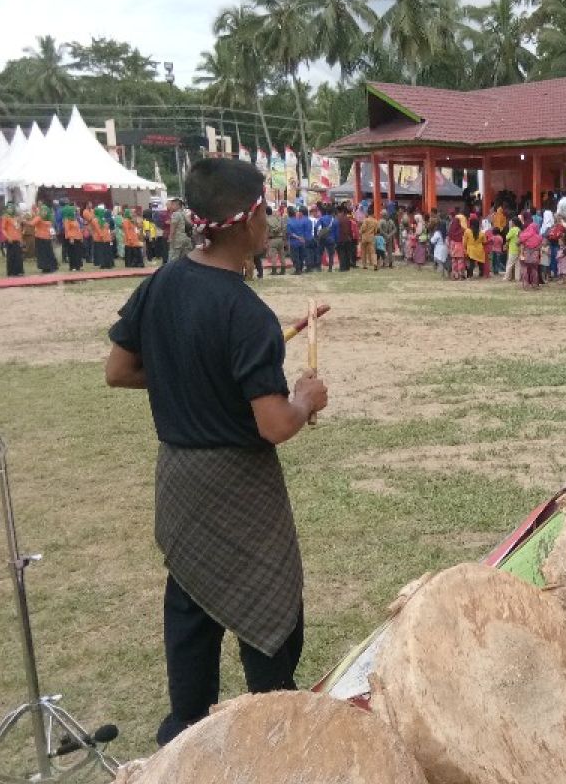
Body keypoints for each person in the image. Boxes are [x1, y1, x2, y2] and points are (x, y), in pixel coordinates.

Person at [104, 158, 327, 747]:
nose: (272, 223)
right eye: (267, 212)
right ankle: (274, 725)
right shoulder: (244, 311)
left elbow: (119, 370)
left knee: (190, 600)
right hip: (237, 482)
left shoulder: (160, 283)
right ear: (247, 220)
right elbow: (274, 424)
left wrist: (190, 376)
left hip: (179, 477)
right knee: (269, 601)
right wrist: (304, 398)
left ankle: (186, 732)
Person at [32, 205, 57, 273]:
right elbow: (32, 223)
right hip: (40, 238)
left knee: (49, 253)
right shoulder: (39, 217)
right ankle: (44, 267)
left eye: (45, 211)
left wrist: (53, 235)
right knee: (42, 254)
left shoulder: (49, 218)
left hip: (47, 238)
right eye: (43, 211)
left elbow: (51, 227)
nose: (44, 212)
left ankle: (52, 267)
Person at [285, 207, 309, 275]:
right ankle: (300, 269)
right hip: (301, 241)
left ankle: (297, 270)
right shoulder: (299, 221)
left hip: (294, 242)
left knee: (295, 256)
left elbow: (290, 233)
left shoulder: (289, 222)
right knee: (301, 256)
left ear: (288, 214)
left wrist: (297, 237)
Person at [314, 205, 338, 272]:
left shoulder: (322, 218)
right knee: (331, 254)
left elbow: (316, 227)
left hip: (322, 238)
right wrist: (336, 241)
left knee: (320, 253)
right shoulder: (335, 221)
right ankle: (330, 268)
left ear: (327, 211)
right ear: (333, 212)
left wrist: (316, 236)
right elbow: (337, 233)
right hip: (331, 239)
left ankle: (318, 268)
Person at [3, 204, 23, 276]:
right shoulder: (5, 217)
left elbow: (19, 229)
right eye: (9, 208)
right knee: (11, 256)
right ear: (6, 209)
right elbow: (3, 229)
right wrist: (8, 237)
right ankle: (11, 272)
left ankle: (19, 271)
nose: (10, 209)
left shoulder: (16, 218)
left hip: (17, 239)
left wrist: (20, 239)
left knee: (18, 256)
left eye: (11, 208)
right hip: (10, 240)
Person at [334, 205, 355, 272]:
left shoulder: (337, 218)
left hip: (340, 238)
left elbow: (335, 229)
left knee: (341, 253)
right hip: (347, 238)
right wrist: (351, 237)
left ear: (338, 211)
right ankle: (347, 267)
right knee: (347, 253)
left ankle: (342, 268)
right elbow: (350, 229)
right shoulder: (347, 218)